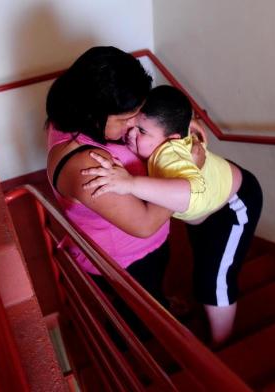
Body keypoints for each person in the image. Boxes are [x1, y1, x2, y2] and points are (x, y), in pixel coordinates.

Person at [82, 85, 263, 346]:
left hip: (235, 206)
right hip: (210, 208)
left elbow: (191, 194)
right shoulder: (161, 138)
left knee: (215, 278)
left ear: (172, 138)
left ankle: (222, 346)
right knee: (204, 262)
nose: (131, 134)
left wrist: (129, 183)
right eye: (132, 125)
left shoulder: (172, 154)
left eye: (141, 131)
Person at [46, 47, 205, 336]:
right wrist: (186, 175)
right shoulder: (88, 165)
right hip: (128, 260)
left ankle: (160, 307)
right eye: (125, 118)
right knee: (138, 316)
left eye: (137, 114)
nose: (134, 124)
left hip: (136, 252)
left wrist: (174, 125)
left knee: (150, 297)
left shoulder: (69, 116)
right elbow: (144, 225)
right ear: (94, 110)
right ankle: (140, 352)